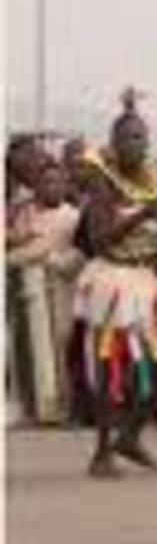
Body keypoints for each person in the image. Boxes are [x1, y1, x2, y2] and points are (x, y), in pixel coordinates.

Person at [73, 92, 157, 477]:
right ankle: (101, 452)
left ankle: (130, 437)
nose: (136, 144)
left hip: (151, 280)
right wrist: (142, 214)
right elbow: (100, 239)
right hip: (115, 283)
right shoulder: (102, 182)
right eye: (128, 138)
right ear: (114, 142)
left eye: (141, 137)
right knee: (112, 367)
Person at [6, 160, 84, 424]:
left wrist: (47, 258)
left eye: (56, 182)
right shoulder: (25, 214)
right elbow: (13, 252)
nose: (51, 187)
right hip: (28, 294)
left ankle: (59, 409)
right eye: (45, 182)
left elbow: (78, 257)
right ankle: (33, 409)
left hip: (60, 293)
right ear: (36, 186)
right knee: (27, 351)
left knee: (59, 351)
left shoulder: (73, 216)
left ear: (64, 185)